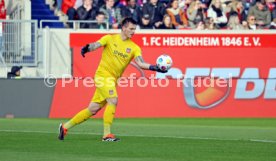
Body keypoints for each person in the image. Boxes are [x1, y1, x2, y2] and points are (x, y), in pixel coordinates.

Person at [58, 17, 167, 142]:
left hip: (112, 80)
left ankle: (65, 127)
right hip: (102, 75)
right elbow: (96, 45)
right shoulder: (109, 38)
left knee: (93, 109)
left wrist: (156, 68)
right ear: (123, 27)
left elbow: (141, 64)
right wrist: (87, 48)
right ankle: (107, 135)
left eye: (134, 29)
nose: (133, 32)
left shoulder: (134, 47)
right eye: (131, 29)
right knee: (113, 100)